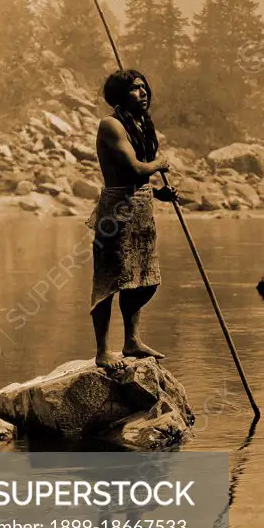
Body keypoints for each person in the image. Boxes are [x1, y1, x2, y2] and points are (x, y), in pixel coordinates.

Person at [86, 69, 178, 372]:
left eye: (144, 88)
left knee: (142, 279)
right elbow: (134, 169)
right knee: (110, 279)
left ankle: (132, 340)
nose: (143, 93)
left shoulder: (141, 125)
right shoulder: (111, 124)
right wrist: (159, 164)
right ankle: (102, 351)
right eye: (134, 90)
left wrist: (161, 195)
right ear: (119, 97)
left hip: (141, 207)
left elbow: (140, 179)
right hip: (116, 211)